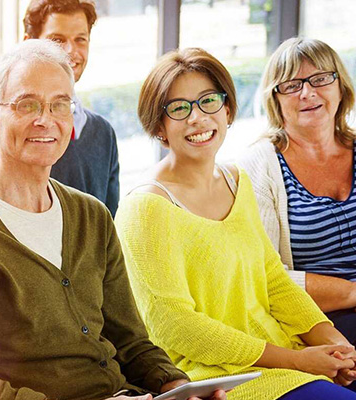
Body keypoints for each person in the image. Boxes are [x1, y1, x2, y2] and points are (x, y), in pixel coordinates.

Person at [0, 39, 204, 400]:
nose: (46, 119)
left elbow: (131, 341)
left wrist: (177, 387)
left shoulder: (91, 215)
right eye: (28, 104)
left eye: (60, 104)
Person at [116, 47, 356, 399]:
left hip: (285, 360)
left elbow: (274, 282)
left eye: (209, 101)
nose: (197, 118)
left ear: (227, 110)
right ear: (158, 126)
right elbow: (175, 327)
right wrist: (297, 360)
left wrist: (338, 345)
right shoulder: (145, 208)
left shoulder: (237, 182)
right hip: (218, 380)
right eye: (179, 108)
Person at [240, 38, 356, 342]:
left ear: (340, 87)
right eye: (292, 85)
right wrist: (352, 292)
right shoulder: (259, 167)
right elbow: (262, 277)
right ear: (275, 99)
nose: (308, 92)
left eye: (320, 79)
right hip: (317, 321)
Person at [0, 0, 120, 215]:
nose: (70, 52)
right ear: (28, 43)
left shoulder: (103, 133)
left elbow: (109, 223)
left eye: (80, 39)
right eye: (57, 40)